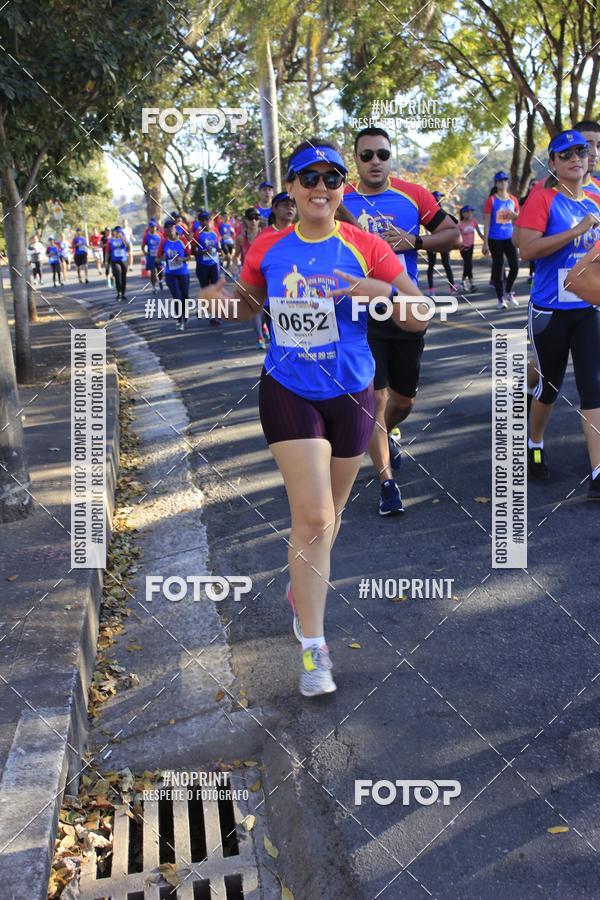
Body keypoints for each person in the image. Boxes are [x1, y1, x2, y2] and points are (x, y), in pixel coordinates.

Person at [196, 138, 429, 696]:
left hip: (352, 392)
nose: (321, 188)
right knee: (315, 516)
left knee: (330, 519)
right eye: (309, 178)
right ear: (292, 189)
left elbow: (419, 315)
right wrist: (214, 298)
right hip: (289, 389)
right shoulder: (270, 247)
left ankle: (302, 586)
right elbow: (247, 305)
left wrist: (377, 291)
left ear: (341, 188)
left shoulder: (367, 245)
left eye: (331, 179)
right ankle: (314, 649)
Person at [342, 126, 460, 515]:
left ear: (390, 157)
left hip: (404, 309)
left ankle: (390, 432)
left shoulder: (414, 196)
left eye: (382, 154)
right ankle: (387, 484)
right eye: (366, 155)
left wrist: (414, 241)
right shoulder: (342, 199)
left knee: (403, 400)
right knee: (374, 398)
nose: (375, 161)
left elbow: (454, 235)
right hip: (359, 312)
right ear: (356, 160)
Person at [516, 130, 600, 499]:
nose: (575, 158)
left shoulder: (596, 197)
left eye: (580, 151)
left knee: (592, 386)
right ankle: (534, 441)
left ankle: (598, 471)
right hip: (550, 308)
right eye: (564, 155)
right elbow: (527, 250)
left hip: (587, 307)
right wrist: (577, 231)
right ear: (553, 163)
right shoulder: (544, 199)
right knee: (548, 386)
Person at [483, 172, 520, 309]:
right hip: (495, 239)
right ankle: (500, 299)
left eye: (505, 180)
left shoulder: (513, 200)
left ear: (508, 182)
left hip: (510, 237)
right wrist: (485, 243)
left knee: (515, 266)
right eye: (500, 180)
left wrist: (515, 215)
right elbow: (487, 223)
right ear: (496, 183)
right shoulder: (491, 201)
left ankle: (508, 291)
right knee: (499, 268)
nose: (503, 182)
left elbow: (519, 219)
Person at [234, 208, 268, 347]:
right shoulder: (241, 238)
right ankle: (260, 337)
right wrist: (235, 266)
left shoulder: (265, 235)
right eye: (250, 218)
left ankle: (264, 326)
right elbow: (236, 256)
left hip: (265, 275)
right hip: (249, 277)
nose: (253, 220)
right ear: (245, 220)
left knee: (265, 307)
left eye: (256, 218)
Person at [157, 218, 191, 331]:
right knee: (177, 296)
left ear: (175, 228)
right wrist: (164, 260)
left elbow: (189, 256)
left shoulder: (182, 240)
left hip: (183, 272)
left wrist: (181, 259)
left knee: (184, 296)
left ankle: (184, 314)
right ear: (165, 230)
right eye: (167, 227)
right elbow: (158, 257)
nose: (170, 229)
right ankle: (179, 320)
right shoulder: (164, 242)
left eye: (172, 226)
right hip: (170, 274)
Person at [425, 192, 459, 296]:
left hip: (442, 241)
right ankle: (431, 289)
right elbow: (426, 228)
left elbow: (453, 223)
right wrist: (431, 242)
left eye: (440, 197)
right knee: (432, 265)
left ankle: (452, 287)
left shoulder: (442, 212)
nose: (440, 199)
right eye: (439, 197)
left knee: (446, 264)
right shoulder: (428, 212)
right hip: (433, 242)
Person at [192, 210, 220, 327]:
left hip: (214, 264)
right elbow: (192, 251)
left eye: (206, 219)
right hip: (202, 265)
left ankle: (214, 315)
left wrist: (220, 251)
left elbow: (218, 247)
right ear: (199, 222)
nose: (204, 222)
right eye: (202, 220)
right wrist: (204, 251)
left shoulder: (215, 232)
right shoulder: (197, 234)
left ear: (210, 220)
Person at [458, 206, 484, 291]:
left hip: (471, 246)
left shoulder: (474, 222)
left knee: (467, 264)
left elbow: (480, 233)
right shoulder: (459, 224)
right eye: (468, 212)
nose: (470, 214)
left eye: (471, 212)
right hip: (463, 247)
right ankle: (472, 284)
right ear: (463, 214)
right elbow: (457, 237)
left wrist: (486, 241)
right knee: (469, 263)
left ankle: (462, 281)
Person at [107, 226, 130, 301]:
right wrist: (106, 262)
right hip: (115, 261)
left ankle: (123, 293)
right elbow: (107, 252)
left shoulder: (124, 239)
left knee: (124, 277)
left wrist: (123, 239)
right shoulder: (110, 241)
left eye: (119, 232)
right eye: (117, 232)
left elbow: (128, 248)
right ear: (114, 232)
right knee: (118, 275)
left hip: (123, 260)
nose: (118, 233)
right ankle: (119, 293)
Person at [142, 219, 164, 295]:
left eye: (154, 227)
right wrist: (145, 253)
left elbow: (163, 244)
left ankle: (160, 281)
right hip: (150, 256)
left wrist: (162, 253)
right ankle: (154, 287)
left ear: (156, 227)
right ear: (149, 227)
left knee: (160, 270)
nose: (153, 228)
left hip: (158, 256)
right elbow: (143, 246)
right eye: (151, 227)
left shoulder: (159, 235)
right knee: (153, 272)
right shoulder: (146, 236)